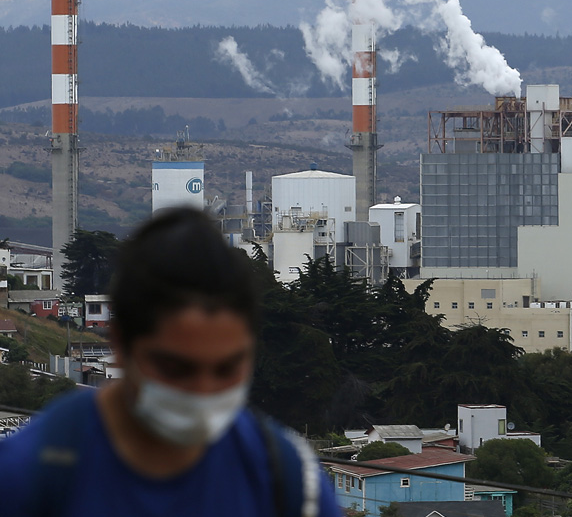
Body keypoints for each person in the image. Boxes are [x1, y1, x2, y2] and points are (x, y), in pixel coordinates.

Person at [0, 208, 341, 516]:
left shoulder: (290, 484)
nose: (204, 391)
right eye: (176, 368)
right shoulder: (27, 476)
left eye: (227, 368)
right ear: (121, 343)